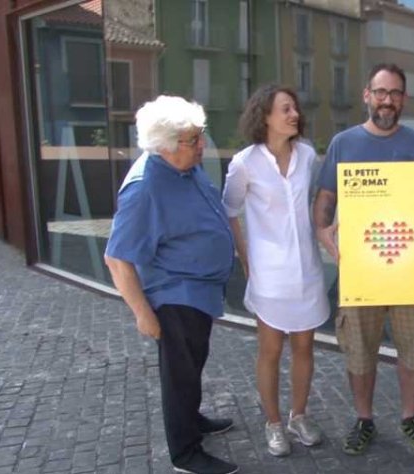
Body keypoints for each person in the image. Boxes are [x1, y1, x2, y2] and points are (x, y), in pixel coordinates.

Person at [312, 63, 414, 455]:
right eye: (381, 92)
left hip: (411, 267)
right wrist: (322, 231)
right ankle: (364, 419)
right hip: (362, 267)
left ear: (404, 99)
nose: (388, 100)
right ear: (367, 95)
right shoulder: (344, 143)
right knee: (359, 347)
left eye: (395, 93)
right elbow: (326, 197)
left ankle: (410, 417)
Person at [104, 96, 238, 474]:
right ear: (164, 146)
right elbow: (117, 258)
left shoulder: (185, 166)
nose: (201, 145)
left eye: (200, 136)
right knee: (179, 375)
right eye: (192, 140)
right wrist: (143, 315)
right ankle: (185, 454)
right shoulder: (144, 188)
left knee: (193, 363)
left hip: (199, 292)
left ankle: (191, 419)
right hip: (175, 295)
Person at [221, 85, 329, 456]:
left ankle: (299, 416)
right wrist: (245, 257)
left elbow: (320, 202)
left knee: (305, 348)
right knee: (270, 350)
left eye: (295, 108)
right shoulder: (244, 163)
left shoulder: (308, 155)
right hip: (269, 273)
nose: (294, 114)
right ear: (264, 116)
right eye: (285, 109)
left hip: (307, 269)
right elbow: (229, 211)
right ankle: (273, 423)